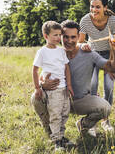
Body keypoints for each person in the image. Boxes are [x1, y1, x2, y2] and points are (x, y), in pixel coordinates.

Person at [30, 20, 115, 142]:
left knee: (105, 108)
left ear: (79, 37)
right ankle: (51, 132)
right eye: (65, 37)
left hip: (80, 101)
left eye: (73, 37)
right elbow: (42, 75)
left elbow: (114, 68)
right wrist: (42, 83)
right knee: (36, 98)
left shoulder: (89, 53)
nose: (69, 41)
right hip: (57, 99)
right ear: (59, 36)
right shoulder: (55, 53)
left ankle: (83, 125)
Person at [78, 0, 115, 135]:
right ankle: (91, 123)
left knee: (109, 87)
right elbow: (79, 42)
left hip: (108, 54)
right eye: (92, 7)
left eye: (97, 7)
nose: (94, 10)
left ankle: (105, 120)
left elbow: (114, 45)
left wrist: (111, 65)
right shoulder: (85, 20)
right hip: (92, 54)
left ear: (105, 7)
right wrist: (82, 46)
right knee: (92, 86)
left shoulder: (113, 21)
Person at [32, 21, 74, 151]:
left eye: (59, 35)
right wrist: (37, 88)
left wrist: (69, 85)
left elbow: (66, 68)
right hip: (53, 90)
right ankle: (57, 141)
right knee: (55, 115)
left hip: (63, 89)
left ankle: (61, 136)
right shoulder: (42, 52)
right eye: (55, 35)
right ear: (46, 36)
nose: (58, 38)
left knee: (64, 113)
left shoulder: (61, 51)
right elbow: (35, 70)